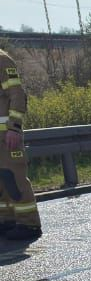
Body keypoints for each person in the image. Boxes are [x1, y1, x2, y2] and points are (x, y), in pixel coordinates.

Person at [0, 47, 39, 242]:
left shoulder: (2, 60)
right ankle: (7, 220)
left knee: (13, 178)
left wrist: (14, 128)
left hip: (6, 135)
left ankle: (29, 223)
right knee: (1, 182)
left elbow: (17, 95)